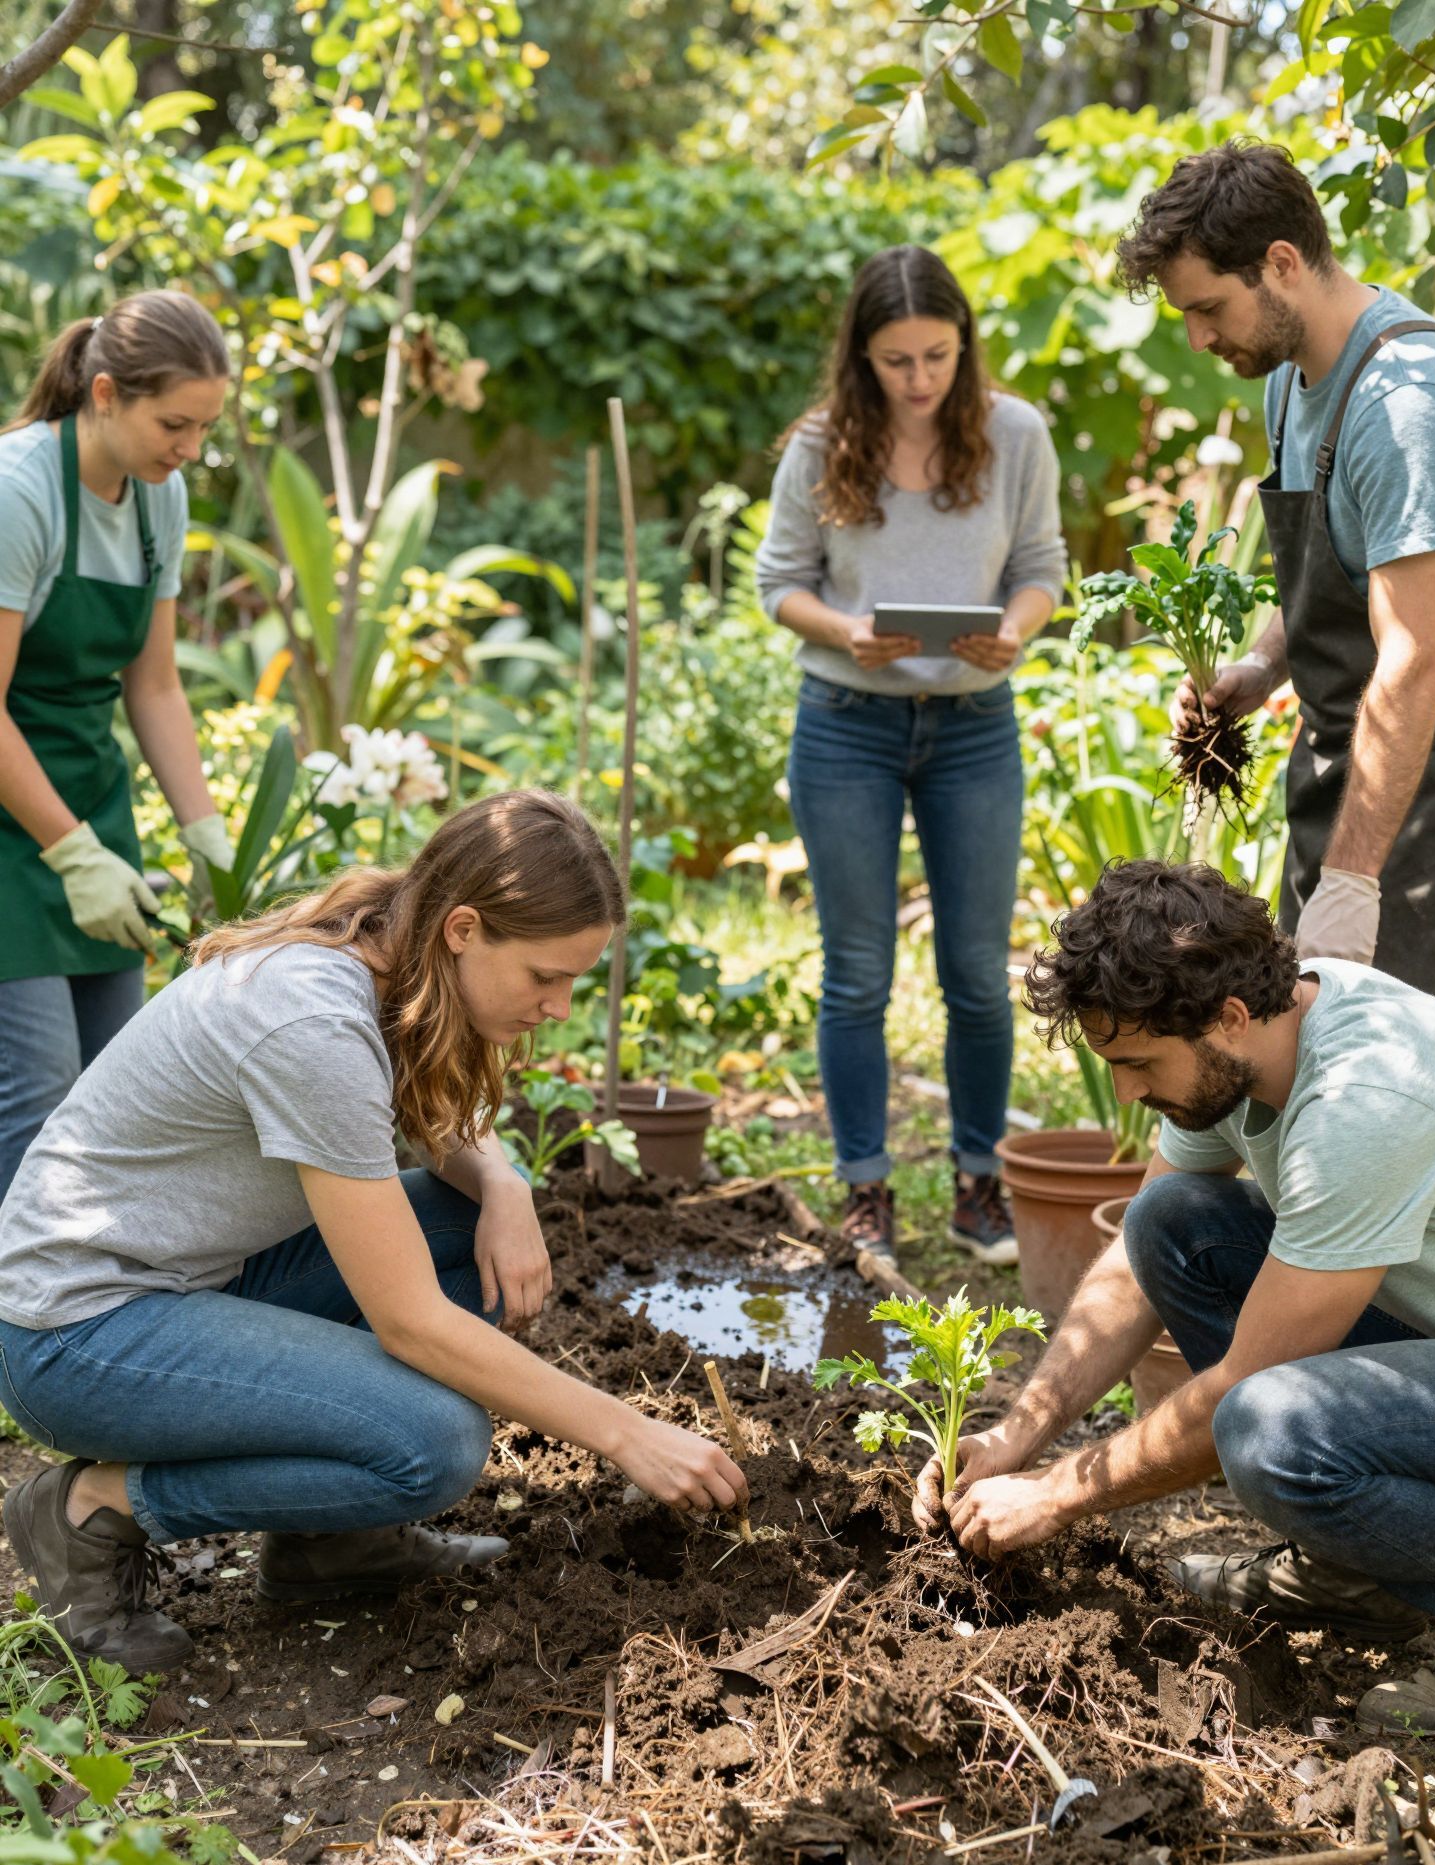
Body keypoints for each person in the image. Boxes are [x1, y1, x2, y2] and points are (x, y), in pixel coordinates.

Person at [0, 791, 747, 1675]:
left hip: (187, 1281)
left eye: (575, 980)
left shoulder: (391, 958)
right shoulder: (312, 1020)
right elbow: (410, 1323)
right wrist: (629, 1434)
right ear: (463, 929)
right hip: (75, 1335)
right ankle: (93, 1508)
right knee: (433, 1444)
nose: (559, 1005)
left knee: (462, 1223)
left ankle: (328, 1544)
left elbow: (441, 1121)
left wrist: (505, 1185)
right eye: (545, 976)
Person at [915, 859, 1435, 1732]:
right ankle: (1357, 1569)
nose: (1127, 1092)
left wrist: (1055, 1494)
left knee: (1269, 1428)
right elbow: (1133, 1267)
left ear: (1230, 1017)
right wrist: (1016, 1436)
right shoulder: (1276, 1032)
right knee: (1170, 1222)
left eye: (1139, 1063)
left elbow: (1240, 1394)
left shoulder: (1363, 1105)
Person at [1113, 142, 1435, 1015]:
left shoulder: (1410, 407)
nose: (1197, 338)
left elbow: (1416, 660)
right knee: (1309, 1041)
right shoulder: (1292, 378)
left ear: (1281, 263)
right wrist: (1262, 666)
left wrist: (1349, 882)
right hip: (1350, 759)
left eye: (1208, 308)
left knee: (1401, 1060)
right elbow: (1337, 571)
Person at [756, 244, 1068, 1266]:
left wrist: (1015, 630)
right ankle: (865, 1190)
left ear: (964, 344)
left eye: (938, 355)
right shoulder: (820, 446)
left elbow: (1041, 567)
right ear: (862, 355)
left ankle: (980, 1185)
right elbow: (779, 584)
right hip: (846, 721)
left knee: (977, 971)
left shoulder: (1015, 434)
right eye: (898, 361)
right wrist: (845, 630)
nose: (921, 378)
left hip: (974, 726)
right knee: (857, 972)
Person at [0, 289, 237, 1203]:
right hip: (15, 824)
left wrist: (206, 831)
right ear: (105, 394)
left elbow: (155, 686)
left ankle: (98, 1286)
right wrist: (69, 853)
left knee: (112, 1098)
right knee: (35, 1100)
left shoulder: (157, 498)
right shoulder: (20, 491)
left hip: (88, 804)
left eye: (205, 427)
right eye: (175, 424)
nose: (191, 449)